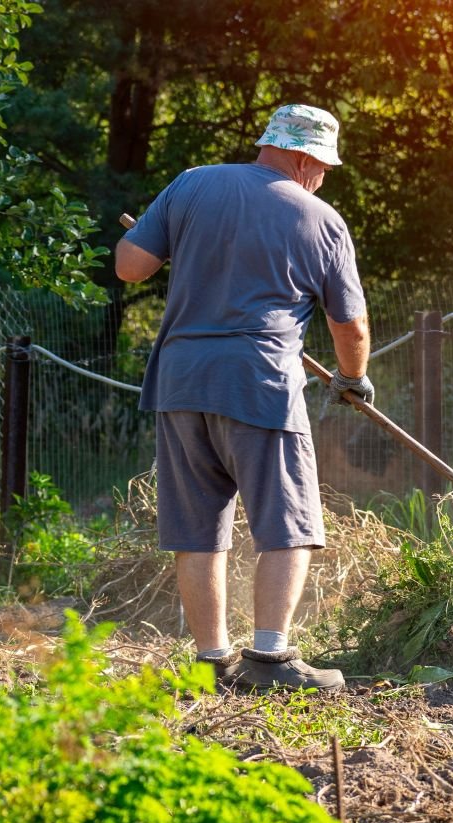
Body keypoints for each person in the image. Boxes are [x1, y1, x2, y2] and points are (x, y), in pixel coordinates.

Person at [115, 103, 373, 693]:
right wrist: (352, 378)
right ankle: (272, 660)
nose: (324, 177)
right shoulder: (321, 219)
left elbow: (130, 267)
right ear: (306, 157)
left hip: (179, 382)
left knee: (197, 527)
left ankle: (210, 661)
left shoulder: (192, 184)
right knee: (289, 523)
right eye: (325, 165)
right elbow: (350, 328)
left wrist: (160, 236)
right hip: (260, 383)